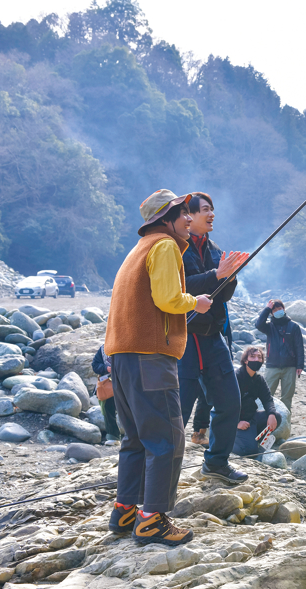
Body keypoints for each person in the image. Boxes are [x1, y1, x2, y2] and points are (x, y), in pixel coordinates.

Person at [104, 189, 212, 546]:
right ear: (166, 218)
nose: (188, 217)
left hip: (121, 359)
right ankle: (152, 520)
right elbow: (167, 299)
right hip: (150, 358)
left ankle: (125, 511)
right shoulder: (164, 246)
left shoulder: (138, 249)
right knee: (167, 438)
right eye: (182, 212)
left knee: (135, 440)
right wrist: (196, 301)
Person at [177, 191, 251, 484]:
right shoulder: (176, 249)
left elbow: (224, 295)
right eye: (205, 210)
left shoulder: (216, 249)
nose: (211, 214)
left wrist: (229, 277)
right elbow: (182, 286)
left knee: (230, 402)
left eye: (212, 210)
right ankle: (161, 468)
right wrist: (217, 274)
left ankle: (216, 462)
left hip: (214, 336)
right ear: (189, 216)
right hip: (185, 338)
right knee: (179, 409)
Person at [255, 299, 304, 414]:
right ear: (271, 313)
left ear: (284, 309)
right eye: (275, 310)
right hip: (272, 366)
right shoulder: (269, 327)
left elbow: (299, 347)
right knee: (266, 395)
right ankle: (262, 420)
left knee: (287, 398)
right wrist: (267, 309)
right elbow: (258, 324)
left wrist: (300, 365)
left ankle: (285, 423)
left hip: (290, 367)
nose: (278, 311)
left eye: (280, 309)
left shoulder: (294, 327)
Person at [232, 346, 281, 457]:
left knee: (277, 417)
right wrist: (236, 423)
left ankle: (253, 439)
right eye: (252, 356)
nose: (256, 360)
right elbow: (226, 404)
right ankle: (233, 439)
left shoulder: (259, 380)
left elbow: (268, 399)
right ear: (245, 360)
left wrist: (272, 414)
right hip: (236, 421)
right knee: (250, 452)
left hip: (251, 418)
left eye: (259, 357)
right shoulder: (236, 377)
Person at [91, 344, 120, 442]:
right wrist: (106, 368)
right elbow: (95, 365)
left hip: (127, 382)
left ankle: (135, 437)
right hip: (107, 384)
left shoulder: (128, 345)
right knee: (107, 408)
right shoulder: (103, 348)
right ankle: (113, 436)